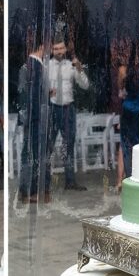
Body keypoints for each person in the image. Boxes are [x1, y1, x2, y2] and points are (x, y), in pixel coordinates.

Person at [45, 38, 90, 192]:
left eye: (61, 48)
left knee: (68, 145)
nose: (59, 51)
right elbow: (38, 88)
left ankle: (70, 182)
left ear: (65, 50)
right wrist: (47, 92)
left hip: (67, 110)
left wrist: (79, 69)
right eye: (56, 49)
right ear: (52, 50)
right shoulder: (46, 66)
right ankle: (44, 183)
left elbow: (85, 85)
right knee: (48, 145)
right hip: (52, 109)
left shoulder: (71, 66)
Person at [17, 37, 49, 204]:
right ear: (42, 47)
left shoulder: (30, 66)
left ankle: (27, 190)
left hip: (32, 117)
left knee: (30, 154)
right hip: (35, 117)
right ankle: (30, 190)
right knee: (33, 154)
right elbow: (29, 95)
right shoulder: (34, 66)